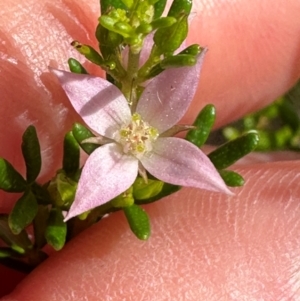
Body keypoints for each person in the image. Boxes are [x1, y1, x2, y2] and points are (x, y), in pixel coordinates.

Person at [1, 0, 300, 299]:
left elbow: (192, 162)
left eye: (141, 135)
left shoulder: (167, 151)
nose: (136, 136)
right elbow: (82, 92)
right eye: (136, 133)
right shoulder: (119, 137)